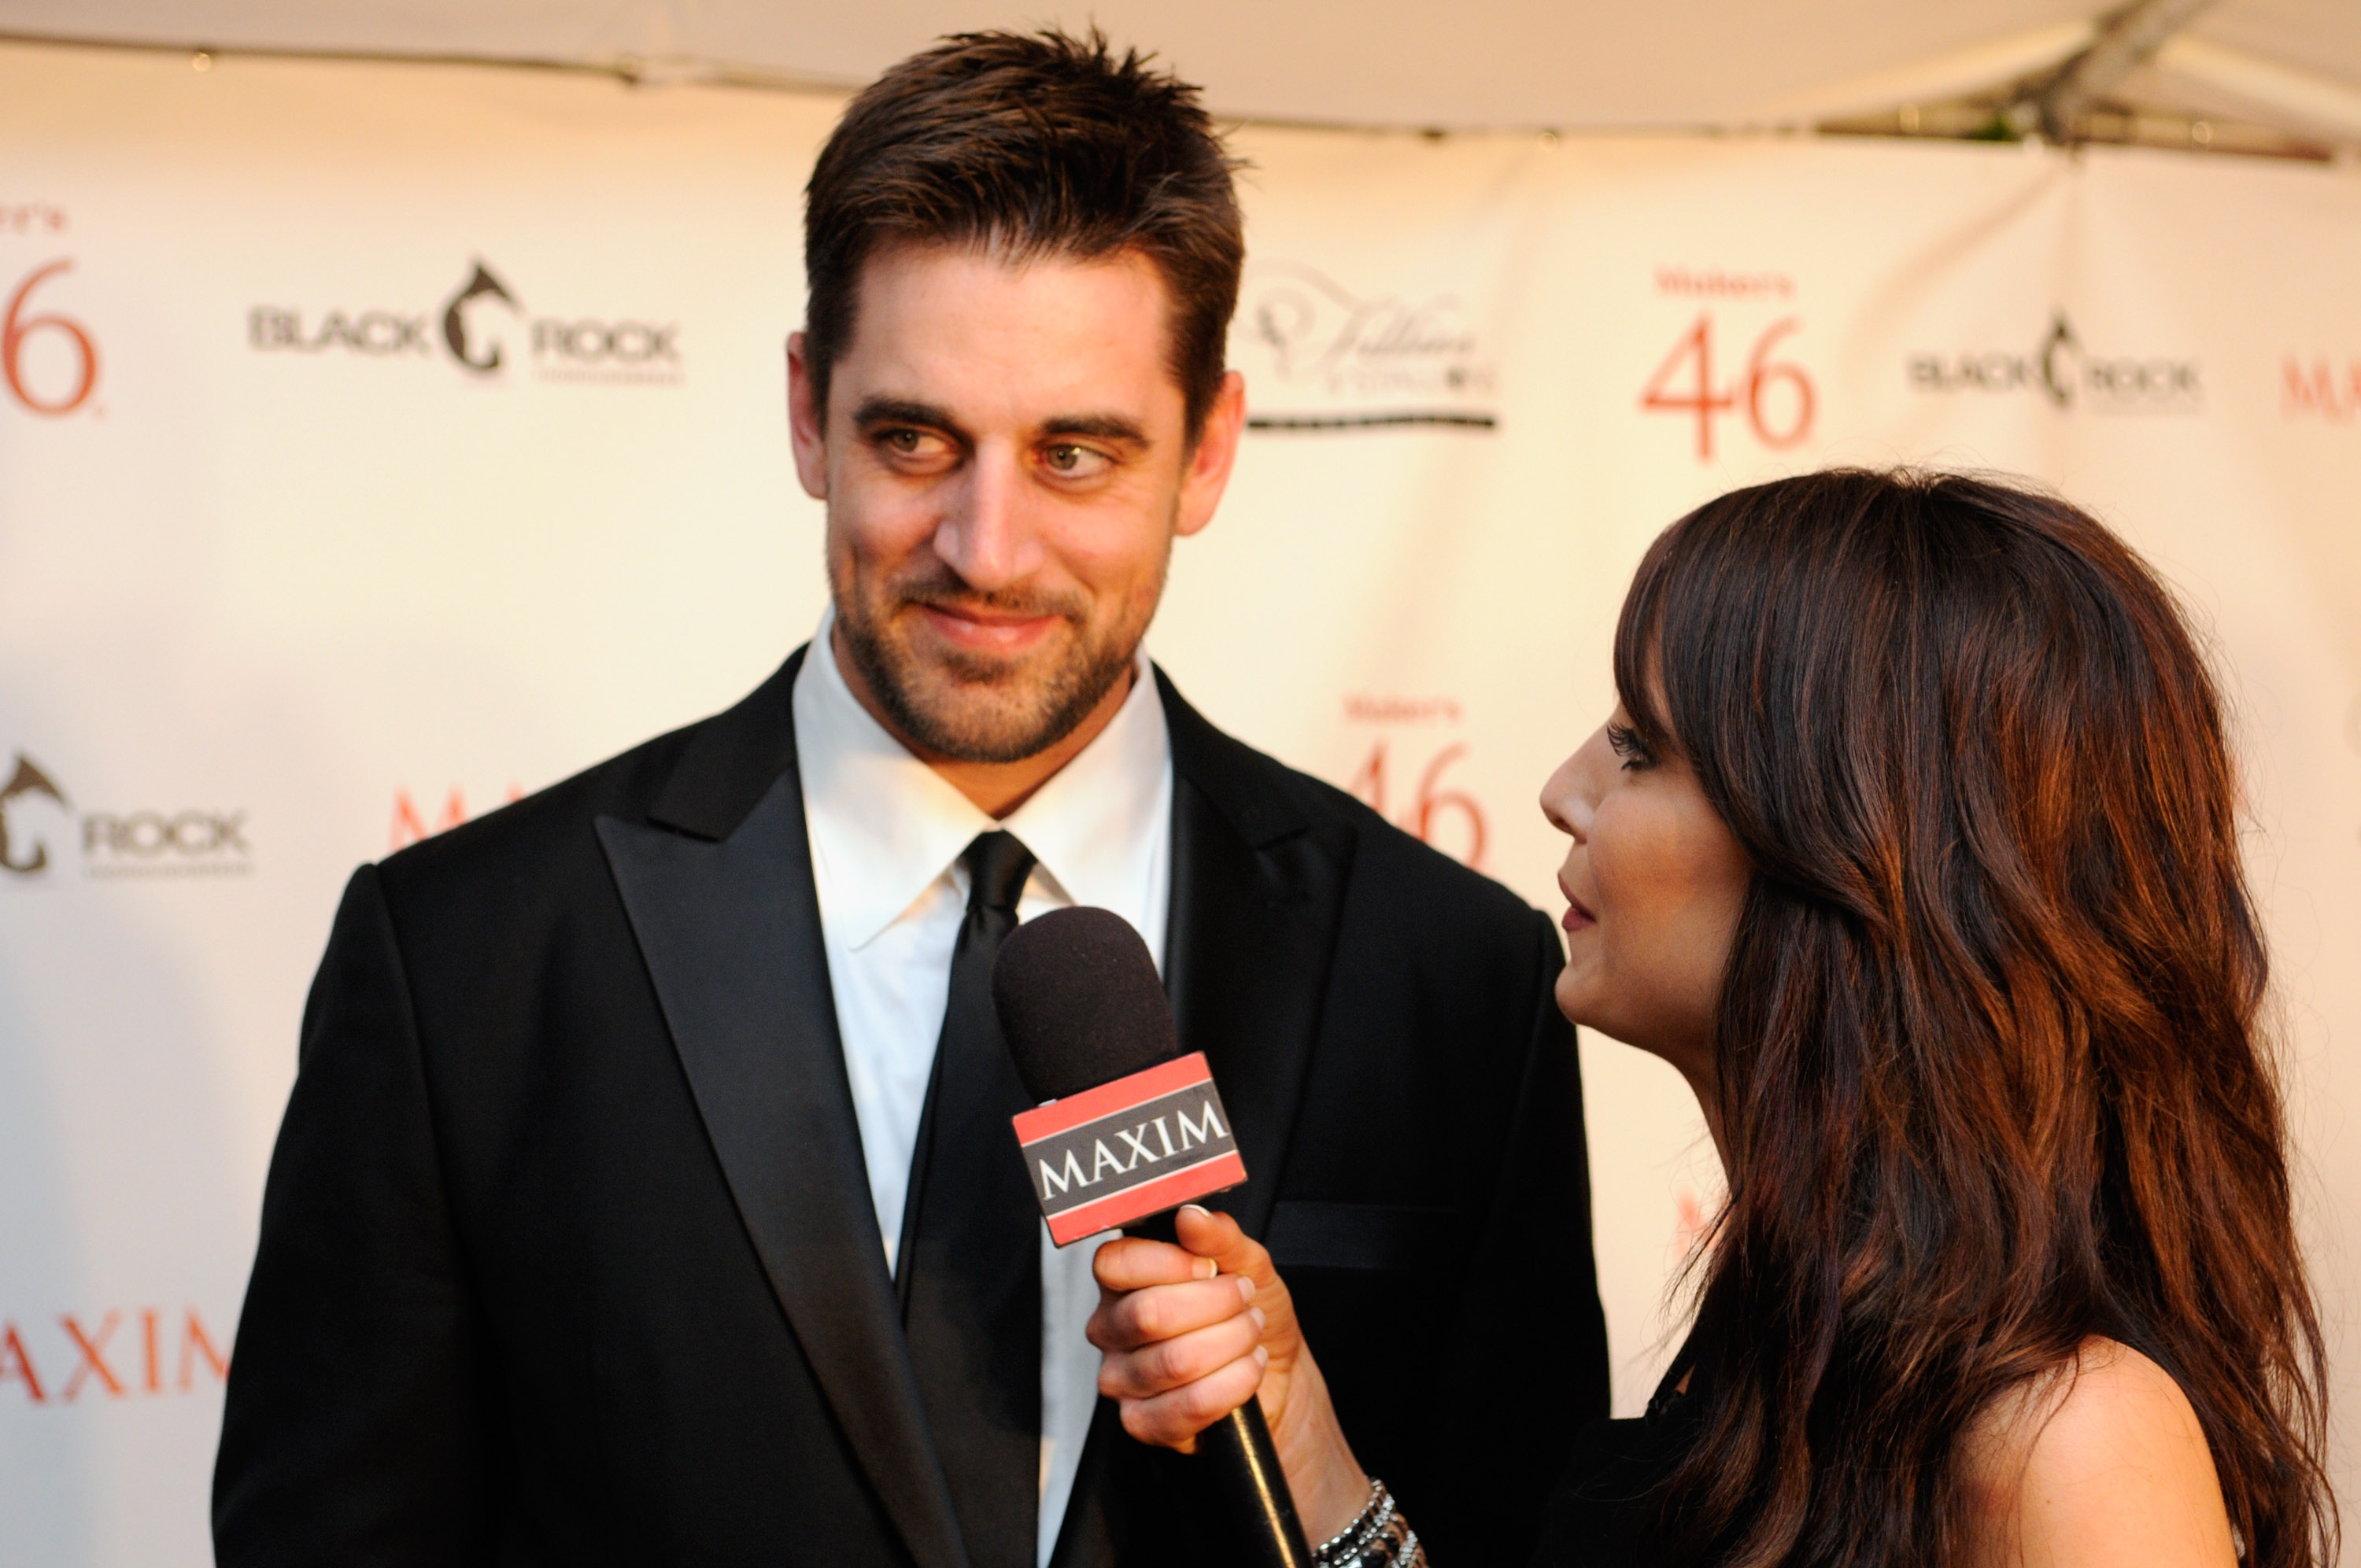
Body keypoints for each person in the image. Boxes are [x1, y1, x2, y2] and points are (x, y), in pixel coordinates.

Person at [211, 28, 1607, 1568]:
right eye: (915, 439)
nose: (987, 548)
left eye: (1076, 453)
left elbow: (1516, 1535)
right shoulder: (467, 963)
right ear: (810, 412)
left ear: (1208, 449)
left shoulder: (1453, 981)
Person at [1090, 469, 2337, 1567]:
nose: (1561, 789)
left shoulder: (2071, 1435)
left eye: (1639, 749)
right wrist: (1307, 1439)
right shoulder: (1787, 1351)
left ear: (1853, 850)